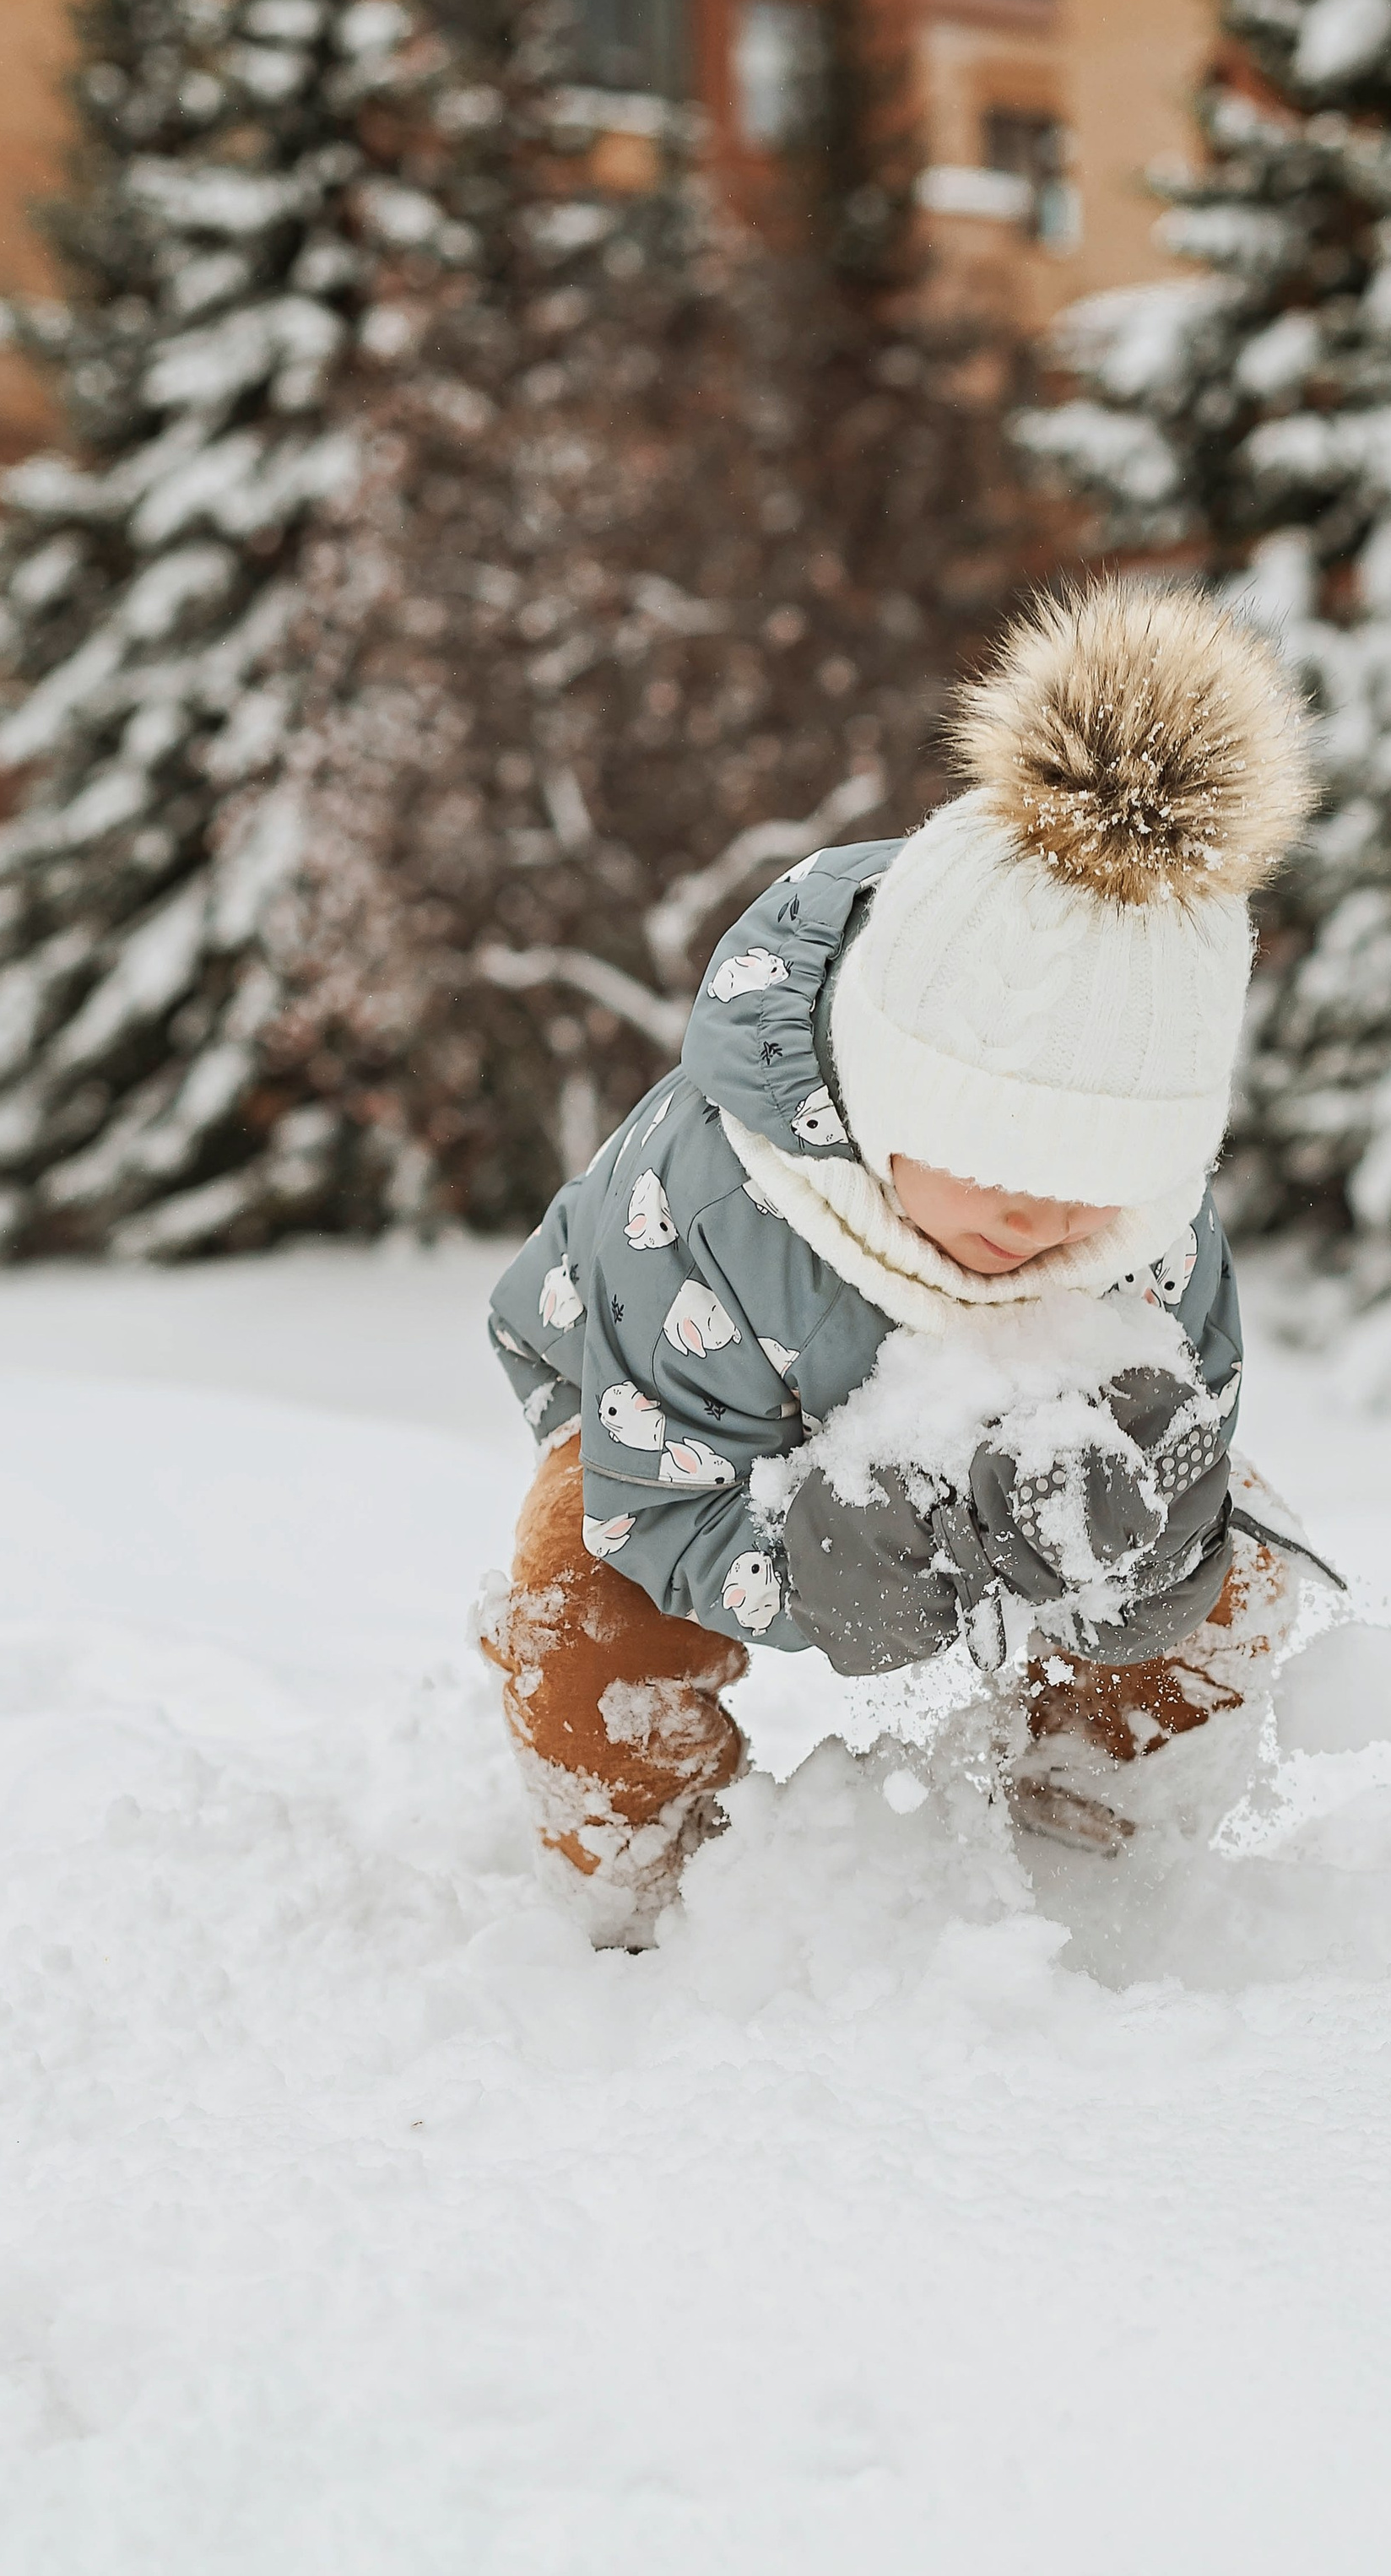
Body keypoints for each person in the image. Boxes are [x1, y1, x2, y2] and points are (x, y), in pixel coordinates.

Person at [479, 576, 1317, 1947]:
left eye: (1097, 1168)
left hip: (966, 1440)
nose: (1036, 1212)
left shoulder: (1149, 1248)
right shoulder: (706, 1201)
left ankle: (1088, 1834)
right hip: (680, 1426)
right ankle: (638, 1874)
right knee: (580, 1588)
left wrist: (1145, 1556)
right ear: (885, 1079)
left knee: (1240, 1570)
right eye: (990, 1141)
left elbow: (1193, 1452)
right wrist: (840, 1566)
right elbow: (660, 1504)